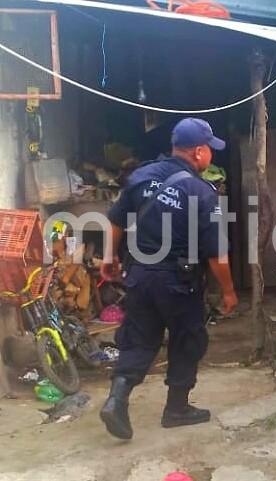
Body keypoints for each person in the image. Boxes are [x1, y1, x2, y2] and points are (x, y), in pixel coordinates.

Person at [99, 118, 238, 440]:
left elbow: (116, 220)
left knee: (139, 338)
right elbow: (217, 255)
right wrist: (229, 292)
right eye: (210, 151)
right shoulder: (201, 191)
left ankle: (116, 398)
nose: (211, 157)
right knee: (187, 341)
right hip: (178, 282)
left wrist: (109, 256)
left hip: (139, 276)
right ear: (199, 152)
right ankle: (176, 409)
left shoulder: (141, 176)